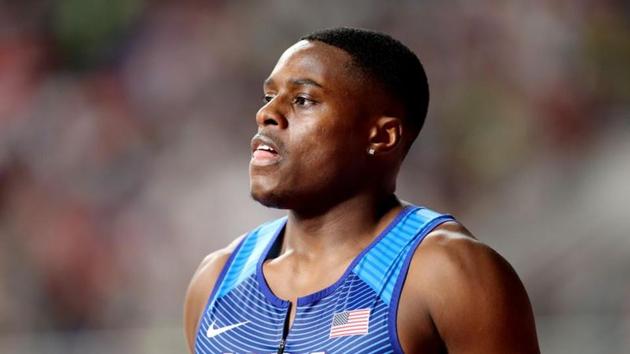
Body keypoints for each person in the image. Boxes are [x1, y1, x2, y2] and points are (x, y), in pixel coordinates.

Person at [184, 27, 540, 354]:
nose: (266, 113)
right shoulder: (215, 281)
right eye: (269, 95)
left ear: (382, 136)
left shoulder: (449, 274)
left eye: (303, 99)